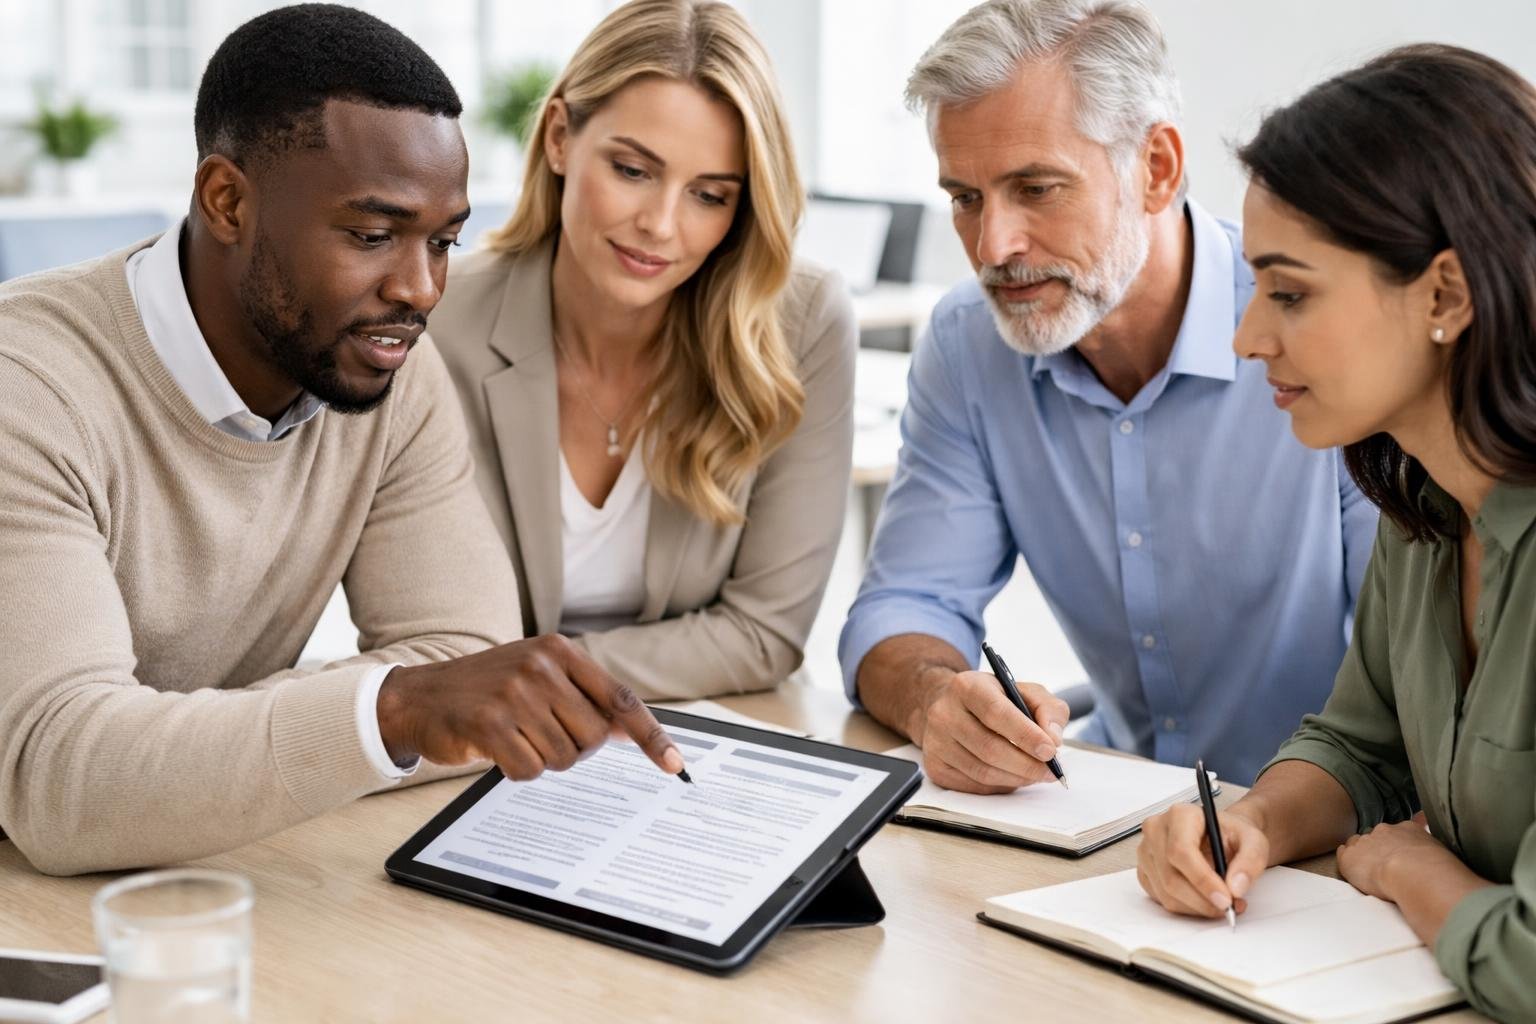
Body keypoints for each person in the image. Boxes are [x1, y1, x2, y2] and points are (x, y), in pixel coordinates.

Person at [0, 3, 682, 878]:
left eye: (443, 241)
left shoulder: (383, 367)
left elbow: (462, 667)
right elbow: (66, 787)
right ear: (226, 201)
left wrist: (178, 747)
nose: (423, 288)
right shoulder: (30, 386)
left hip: (172, 876)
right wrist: (388, 709)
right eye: (372, 236)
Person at [838, 0, 1377, 791]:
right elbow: (902, 607)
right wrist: (936, 702)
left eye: (1037, 188)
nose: (994, 247)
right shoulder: (967, 344)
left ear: (1155, 169)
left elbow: (1423, 686)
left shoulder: (1314, 333)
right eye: (965, 198)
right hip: (1110, 810)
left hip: (1332, 832)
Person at [1136, 45, 1536, 1022]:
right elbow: (1361, 746)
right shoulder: (1427, 505)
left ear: (1445, 295)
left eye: (1290, 292)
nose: (1246, 337)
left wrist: (1410, 868)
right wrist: (1250, 821)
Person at [431, 0, 856, 700]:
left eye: (709, 195)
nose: (660, 225)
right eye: (632, 171)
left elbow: (764, 634)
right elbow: (431, 640)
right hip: (482, 747)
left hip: (710, 739)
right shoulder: (441, 323)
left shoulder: (801, 323)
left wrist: (539, 674)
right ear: (561, 137)